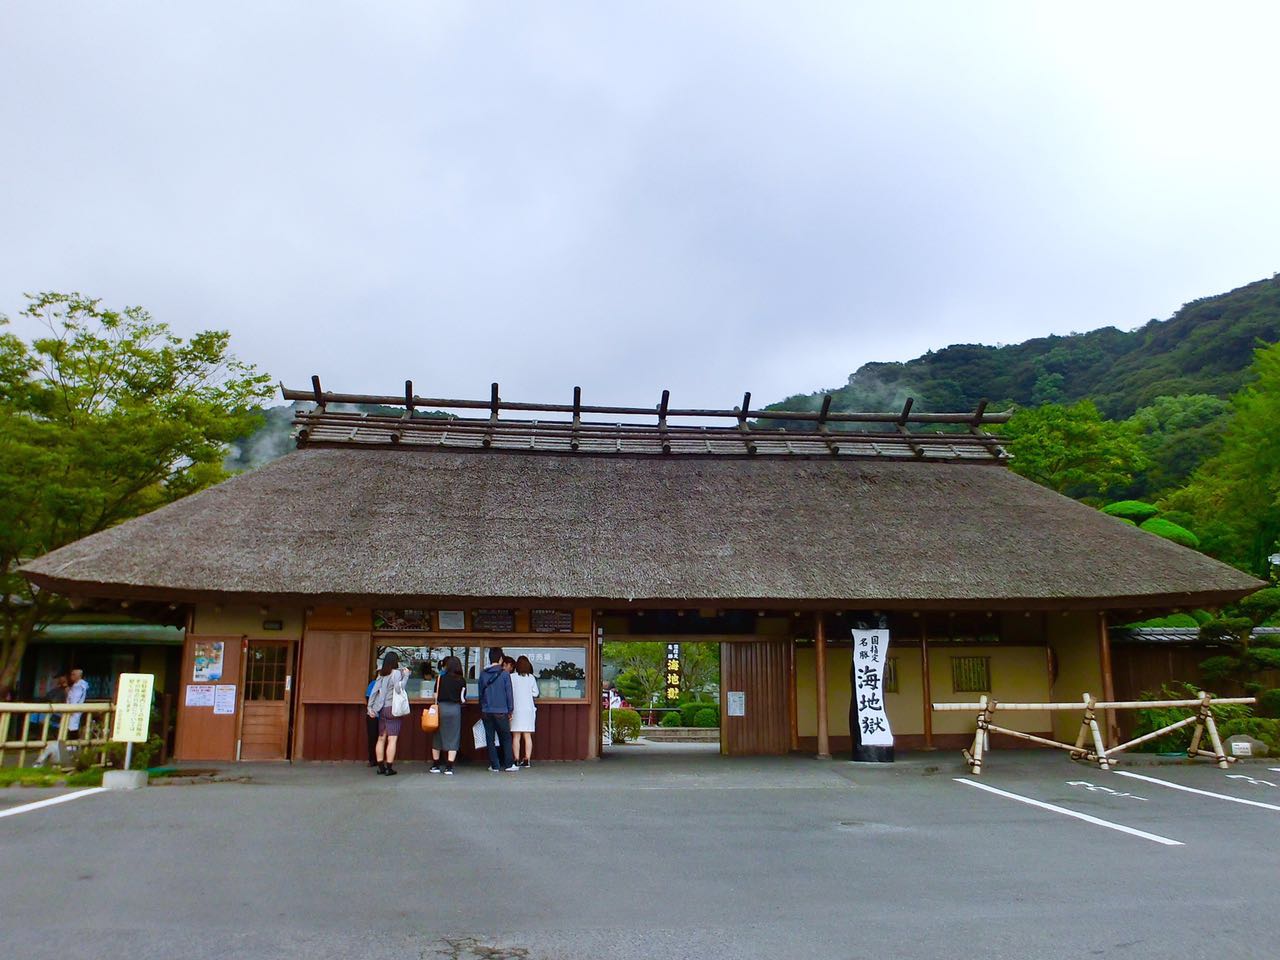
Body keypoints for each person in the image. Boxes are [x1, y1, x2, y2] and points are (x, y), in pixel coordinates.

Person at [367, 652, 410, 776]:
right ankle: (389, 768)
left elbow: (374, 691)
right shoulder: (396, 673)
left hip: (382, 709)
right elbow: (398, 688)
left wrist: (370, 708)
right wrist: (406, 676)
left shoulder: (382, 674)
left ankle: (380, 767)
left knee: (381, 738)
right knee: (392, 739)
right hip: (393, 709)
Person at [477, 647, 516, 772]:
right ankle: (509, 764)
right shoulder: (504, 674)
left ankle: (494, 765)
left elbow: (480, 694)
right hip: (501, 711)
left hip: (487, 711)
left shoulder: (483, 674)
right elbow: (509, 694)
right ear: (500, 659)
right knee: (506, 737)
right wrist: (510, 710)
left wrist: (482, 708)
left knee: (490, 738)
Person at [429, 656, 466, 775]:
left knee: (438, 736)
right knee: (453, 736)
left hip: (441, 709)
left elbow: (435, 695)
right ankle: (449, 767)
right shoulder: (461, 680)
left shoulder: (440, 678)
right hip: (455, 709)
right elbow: (463, 699)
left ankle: (435, 765)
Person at [33, 674, 69, 768]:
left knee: (59, 738)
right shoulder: (56, 690)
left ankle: (56, 761)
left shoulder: (66, 690)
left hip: (61, 715)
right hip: (54, 714)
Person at [510, 655, 539, 768]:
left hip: (516, 709)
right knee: (527, 736)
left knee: (516, 736)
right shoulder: (531, 678)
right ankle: (527, 759)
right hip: (528, 710)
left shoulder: (512, 677)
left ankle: (516, 759)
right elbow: (535, 693)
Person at [65, 668, 89, 741]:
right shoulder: (75, 685)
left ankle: (72, 747)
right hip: (71, 710)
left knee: (73, 728)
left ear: (79, 676)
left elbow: (75, 699)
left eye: (73, 674)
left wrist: (72, 708)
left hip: (75, 711)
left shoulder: (80, 686)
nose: (71, 676)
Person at [364, 673, 380, 767]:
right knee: (373, 738)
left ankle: (380, 758)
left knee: (381, 738)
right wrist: (370, 710)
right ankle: (372, 759)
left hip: (383, 715)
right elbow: (368, 697)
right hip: (373, 715)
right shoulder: (373, 683)